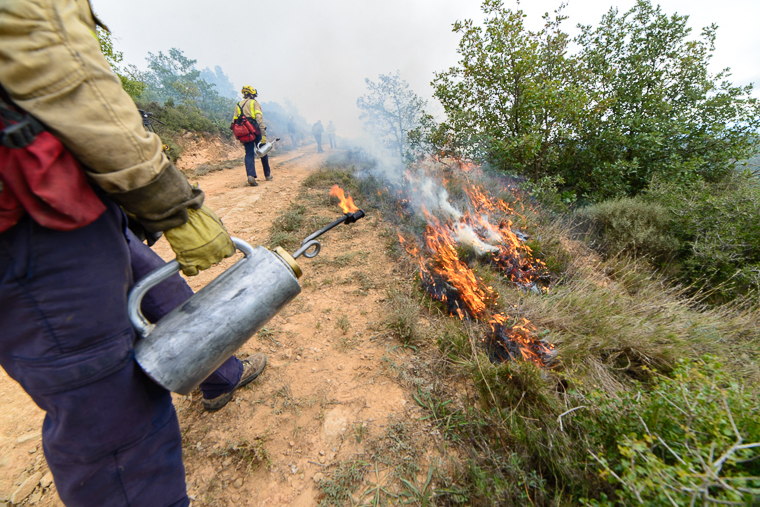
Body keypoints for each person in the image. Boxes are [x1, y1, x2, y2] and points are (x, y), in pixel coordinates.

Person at [0, 2, 264, 505]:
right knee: (113, 418)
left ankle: (220, 375)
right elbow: (68, 78)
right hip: (33, 223)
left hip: (74, 197)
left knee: (160, 287)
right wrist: (172, 204)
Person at [234, 86, 272, 186]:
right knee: (263, 151)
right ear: (252, 94)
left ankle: (250, 176)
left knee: (249, 154)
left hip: (245, 133)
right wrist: (263, 134)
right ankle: (267, 175)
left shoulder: (238, 105)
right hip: (255, 131)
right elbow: (259, 119)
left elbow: (235, 122)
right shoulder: (254, 103)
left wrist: (240, 136)